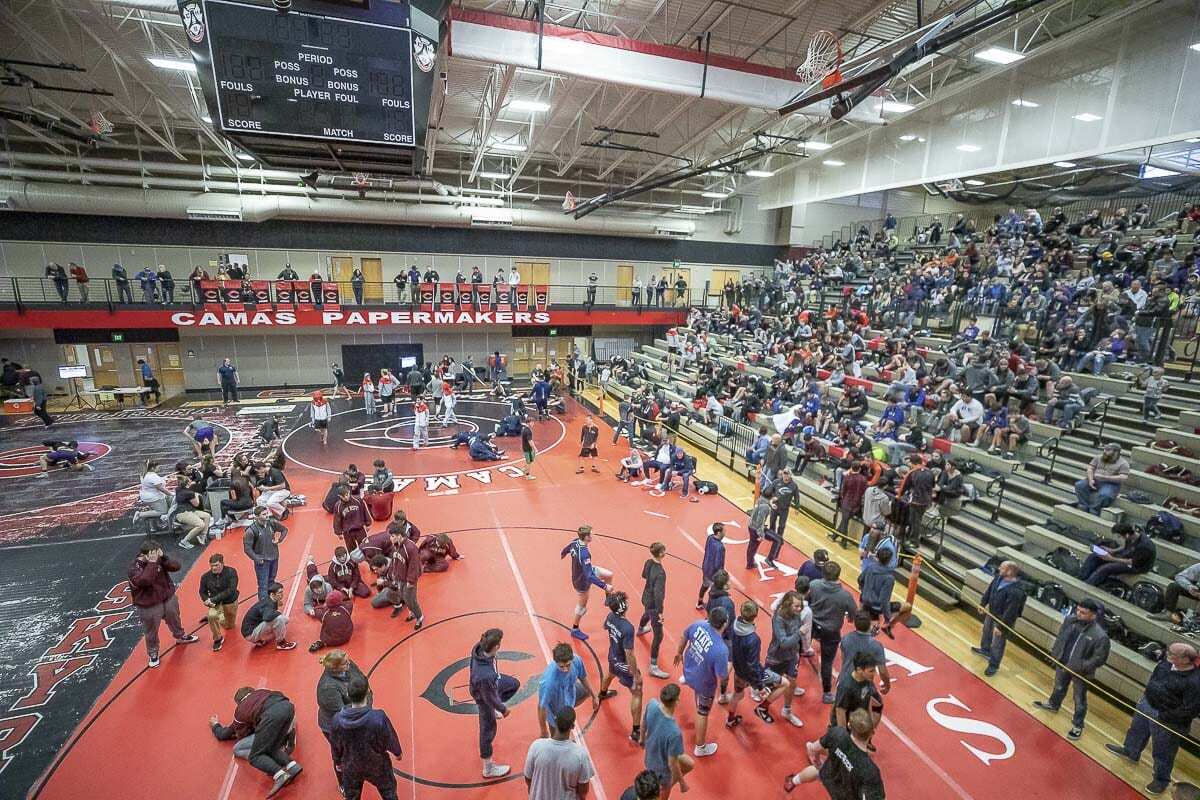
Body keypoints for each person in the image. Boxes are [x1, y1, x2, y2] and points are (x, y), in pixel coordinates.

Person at [1105, 642, 1200, 794]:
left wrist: (1165, 716)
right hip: (1147, 705)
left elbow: (1190, 710)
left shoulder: (1195, 682)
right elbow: (1153, 678)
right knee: (1136, 731)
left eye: (1172, 653)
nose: (1167, 654)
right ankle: (1131, 751)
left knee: (1164, 750)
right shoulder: (1165, 664)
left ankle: (1161, 780)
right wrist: (1145, 698)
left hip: (1168, 720)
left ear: (1184, 659)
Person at [1032, 598, 1110, 739]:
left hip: (1081, 673)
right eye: (1078, 610)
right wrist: (1055, 654)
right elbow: (1061, 638)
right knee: (1059, 687)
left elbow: (1099, 659)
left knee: (1079, 699)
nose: (1079, 614)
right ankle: (1053, 705)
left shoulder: (1100, 636)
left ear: (1093, 615)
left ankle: (1077, 725)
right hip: (1063, 662)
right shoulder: (1070, 620)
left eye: (1083, 612)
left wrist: (1081, 667)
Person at [210, 687, 302, 797]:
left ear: (239, 702)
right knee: (270, 746)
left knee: (255, 756)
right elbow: (280, 697)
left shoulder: (241, 711)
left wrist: (215, 725)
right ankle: (292, 766)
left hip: (271, 719)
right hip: (288, 708)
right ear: (253, 692)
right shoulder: (263, 692)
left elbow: (225, 734)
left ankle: (279, 774)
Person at [128, 540, 198, 668]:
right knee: (151, 631)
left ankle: (180, 636)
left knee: (175, 619)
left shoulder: (159, 559)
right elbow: (145, 581)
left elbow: (176, 567)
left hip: (167, 597)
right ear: (146, 554)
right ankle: (153, 653)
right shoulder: (134, 568)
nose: (157, 555)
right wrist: (152, 563)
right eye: (155, 553)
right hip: (149, 604)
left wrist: (164, 557)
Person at [783, 709, 883, 797]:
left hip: (828, 774)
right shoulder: (869, 770)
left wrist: (817, 762)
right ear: (872, 732)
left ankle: (793, 781)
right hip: (844, 795)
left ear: (849, 725)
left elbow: (813, 748)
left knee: (817, 770)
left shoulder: (838, 734)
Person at [331, 677, 402, 800]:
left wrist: (338, 761)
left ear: (348, 694)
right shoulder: (377, 718)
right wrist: (397, 752)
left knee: (352, 795)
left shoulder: (337, 720)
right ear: (368, 692)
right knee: (388, 791)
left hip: (351, 765)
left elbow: (335, 744)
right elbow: (388, 737)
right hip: (376, 764)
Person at [728, 599, 796, 729]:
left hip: (739, 671)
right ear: (755, 616)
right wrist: (759, 687)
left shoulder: (734, 625)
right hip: (755, 675)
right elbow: (753, 666)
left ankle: (730, 719)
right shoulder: (753, 639)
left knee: (737, 695)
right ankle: (763, 708)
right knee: (785, 683)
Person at [674, 606, 729, 757]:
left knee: (693, 684)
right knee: (702, 713)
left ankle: (688, 680)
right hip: (704, 685)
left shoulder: (698, 624)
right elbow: (722, 676)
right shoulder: (721, 650)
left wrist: (679, 653)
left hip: (689, 672)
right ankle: (700, 746)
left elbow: (684, 636)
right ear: (725, 623)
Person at [470, 628, 520, 778]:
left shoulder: (478, 649)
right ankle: (488, 767)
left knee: (514, 684)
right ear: (496, 647)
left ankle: (495, 706)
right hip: (484, 695)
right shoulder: (485, 676)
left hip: (490, 684)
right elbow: (488, 698)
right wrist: (502, 708)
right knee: (487, 729)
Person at [808, 561, 857, 703]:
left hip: (813, 625)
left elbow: (806, 600)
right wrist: (850, 617)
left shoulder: (814, 585)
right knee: (827, 662)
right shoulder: (845, 595)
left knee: (797, 651)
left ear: (823, 573)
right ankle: (827, 693)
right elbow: (854, 612)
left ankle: (790, 674)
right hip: (830, 631)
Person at [599, 591, 644, 743]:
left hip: (613, 655)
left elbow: (605, 627)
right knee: (637, 692)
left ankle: (602, 693)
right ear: (624, 607)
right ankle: (636, 731)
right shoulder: (628, 628)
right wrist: (635, 673)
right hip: (624, 663)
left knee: (610, 673)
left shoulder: (610, 617)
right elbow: (629, 653)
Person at [524, 706, 594, 799]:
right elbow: (583, 791)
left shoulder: (536, 746)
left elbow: (528, 778)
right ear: (572, 726)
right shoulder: (580, 755)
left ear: (555, 721)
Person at [973, 560, 1026, 676]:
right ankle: (985, 649)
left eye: (1002, 568)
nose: (999, 569)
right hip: (992, 612)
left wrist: (1001, 627)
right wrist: (982, 603)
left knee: (998, 643)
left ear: (1010, 571)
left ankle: (994, 665)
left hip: (1003, 620)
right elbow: (989, 590)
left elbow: (1011, 612)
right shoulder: (998, 578)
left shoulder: (1016, 591)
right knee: (986, 631)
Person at [640, 683, 693, 799]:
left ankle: (660, 788)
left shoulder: (652, 704)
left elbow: (643, 723)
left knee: (689, 764)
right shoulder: (674, 733)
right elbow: (671, 763)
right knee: (664, 793)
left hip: (650, 754)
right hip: (661, 769)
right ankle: (661, 790)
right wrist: (682, 783)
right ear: (677, 701)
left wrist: (641, 739)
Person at [561, 525, 614, 641]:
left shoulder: (576, 542)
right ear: (586, 537)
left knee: (609, 575)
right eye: (590, 534)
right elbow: (589, 576)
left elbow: (568, 548)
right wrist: (605, 586)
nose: (592, 535)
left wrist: (563, 553)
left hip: (586, 570)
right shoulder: (584, 554)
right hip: (582, 582)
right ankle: (575, 629)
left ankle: (608, 598)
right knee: (582, 607)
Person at [538, 641, 599, 739]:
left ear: (572, 659)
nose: (565, 669)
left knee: (586, 691)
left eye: (568, 665)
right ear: (555, 662)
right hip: (554, 710)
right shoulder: (549, 683)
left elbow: (583, 677)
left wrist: (594, 696)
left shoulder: (577, 660)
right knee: (557, 738)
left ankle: (568, 710)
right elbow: (541, 707)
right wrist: (543, 730)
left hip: (569, 695)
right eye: (561, 666)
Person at [764, 590, 807, 726]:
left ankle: (787, 710)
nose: (799, 609)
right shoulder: (779, 618)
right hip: (777, 656)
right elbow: (783, 643)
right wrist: (799, 633)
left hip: (792, 656)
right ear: (788, 605)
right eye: (796, 606)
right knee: (767, 682)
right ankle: (757, 691)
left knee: (792, 682)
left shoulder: (797, 614)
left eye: (800, 606)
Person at [1079, 521, 1156, 586]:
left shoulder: (1144, 546)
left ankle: (1088, 584)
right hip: (1128, 556)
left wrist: (1111, 558)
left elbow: (1132, 562)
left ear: (1127, 535)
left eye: (1120, 536)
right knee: (1094, 556)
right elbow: (1125, 547)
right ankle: (1081, 577)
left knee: (1106, 568)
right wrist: (1113, 551)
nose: (1120, 538)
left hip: (1137, 566)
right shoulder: (1131, 536)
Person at [832, 652, 882, 749]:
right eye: (871, 671)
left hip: (857, 724)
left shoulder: (867, 680)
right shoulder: (846, 686)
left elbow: (867, 702)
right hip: (846, 725)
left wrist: (870, 724)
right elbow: (840, 712)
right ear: (859, 669)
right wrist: (843, 737)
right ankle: (813, 748)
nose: (874, 673)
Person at [637, 542, 671, 680]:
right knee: (659, 635)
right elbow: (659, 594)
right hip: (654, 603)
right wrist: (660, 612)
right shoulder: (661, 573)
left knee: (647, 612)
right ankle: (653, 666)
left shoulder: (648, 562)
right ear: (661, 553)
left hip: (646, 596)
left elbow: (644, 575)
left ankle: (640, 629)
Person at [1074, 443, 1130, 516]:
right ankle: (1084, 505)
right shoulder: (1098, 457)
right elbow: (1090, 468)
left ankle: (1094, 509)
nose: (1104, 451)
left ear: (1116, 452)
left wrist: (1106, 478)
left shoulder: (1123, 463)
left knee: (1105, 495)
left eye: (1108, 450)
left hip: (1110, 483)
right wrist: (1091, 479)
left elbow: (1123, 477)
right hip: (1095, 479)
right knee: (1079, 485)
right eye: (1105, 449)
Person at [244, 507, 287, 600]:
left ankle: (271, 602)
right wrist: (257, 559)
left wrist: (279, 540)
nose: (267, 515)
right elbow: (247, 549)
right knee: (263, 585)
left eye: (267, 513)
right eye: (264, 514)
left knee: (271, 581)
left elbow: (284, 530)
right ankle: (263, 606)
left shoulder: (271, 523)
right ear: (256, 517)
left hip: (274, 558)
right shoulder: (251, 531)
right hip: (262, 562)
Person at [200, 553, 238, 651]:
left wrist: (212, 599)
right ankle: (217, 638)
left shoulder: (231, 572)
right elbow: (202, 591)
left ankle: (219, 616)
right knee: (211, 615)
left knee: (229, 626)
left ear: (222, 564)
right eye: (212, 566)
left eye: (216, 565)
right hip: (215, 603)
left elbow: (231, 590)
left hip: (229, 601)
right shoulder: (205, 577)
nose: (214, 568)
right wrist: (206, 601)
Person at [242, 581, 296, 650]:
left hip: (250, 629)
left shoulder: (271, 600)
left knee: (285, 619)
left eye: (282, 592)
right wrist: (278, 613)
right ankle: (281, 643)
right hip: (250, 633)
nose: (282, 594)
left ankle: (259, 639)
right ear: (272, 594)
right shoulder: (268, 604)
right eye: (279, 593)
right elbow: (267, 617)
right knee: (279, 619)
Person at [332, 484, 371, 552]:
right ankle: (354, 562)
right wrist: (338, 532)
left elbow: (364, 511)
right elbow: (337, 520)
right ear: (339, 496)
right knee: (351, 550)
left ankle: (369, 561)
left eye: (347, 494)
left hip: (360, 529)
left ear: (349, 492)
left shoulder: (358, 500)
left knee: (365, 547)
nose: (347, 497)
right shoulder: (338, 506)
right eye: (344, 496)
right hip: (347, 532)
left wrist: (368, 523)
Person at [134, 459, 170, 531]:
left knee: (153, 508)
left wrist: (162, 479)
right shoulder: (153, 477)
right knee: (163, 511)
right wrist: (170, 494)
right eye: (158, 467)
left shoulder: (144, 474)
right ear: (153, 468)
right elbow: (161, 488)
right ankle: (140, 514)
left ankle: (153, 527)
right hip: (154, 497)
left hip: (146, 496)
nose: (159, 468)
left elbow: (153, 482)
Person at [696, 522, 725, 609]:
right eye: (724, 531)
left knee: (704, 585)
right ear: (719, 532)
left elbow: (706, 549)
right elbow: (718, 564)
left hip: (706, 567)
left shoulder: (710, 537)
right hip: (714, 574)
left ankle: (699, 602)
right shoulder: (720, 547)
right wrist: (721, 575)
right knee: (714, 592)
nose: (725, 533)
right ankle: (710, 609)